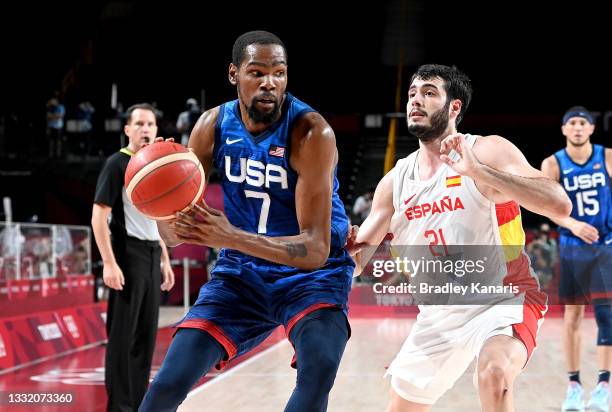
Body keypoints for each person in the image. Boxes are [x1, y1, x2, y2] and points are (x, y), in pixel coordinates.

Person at [139, 30, 354, 412]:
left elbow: (315, 250)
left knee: (319, 367)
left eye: (279, 73)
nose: (270, 83)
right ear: (234, 74)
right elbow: (172, 235)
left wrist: (229, 236)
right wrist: (161, 204)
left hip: (311, 277)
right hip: (241, 275)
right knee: (168, 382)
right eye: (257, 72)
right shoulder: (211, 126)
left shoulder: (311, 132)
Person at [347, 64, 572, 411]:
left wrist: (478, 172)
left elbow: (559, 203)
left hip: (502, 300)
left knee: (493, 374)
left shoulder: (486, 150)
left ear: (454, 107)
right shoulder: (395, 181)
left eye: (429, 93)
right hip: (437, 315)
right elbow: (358, 260)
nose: (416, 101)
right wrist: (336, 251)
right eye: (412, 94)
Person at [91, 103, 175, 412]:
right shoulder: (117, 164)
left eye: (150, 124)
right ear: (127, 130)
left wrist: (165, 259)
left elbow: (156, 217)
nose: (145, 129)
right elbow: (99, 217)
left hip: (153, 254)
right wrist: (109, 263)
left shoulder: (154, 165)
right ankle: (120, 406)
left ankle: (139, 404)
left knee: (145, 339)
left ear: (156, 130)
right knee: (123, 337)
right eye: (138, 123)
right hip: (128, 254)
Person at [541, 106, 612, 412]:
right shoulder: (552, 163)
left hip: (605, 245)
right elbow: (545, 204)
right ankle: (573, 386)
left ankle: (604, 385)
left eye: (584, 123)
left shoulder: (607, 156)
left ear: (592, 129)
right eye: (573, 123)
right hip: (572, 247)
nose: (579, 128)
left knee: (606, 318)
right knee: (572, 318)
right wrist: (572, 224)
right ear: (564, 129)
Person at [46, 92, 65, 158]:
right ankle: (50, 154)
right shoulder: (50, 108)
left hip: (58, 126)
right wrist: (54, 116)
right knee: (51, 141)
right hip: (51, 126)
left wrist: (52, 116)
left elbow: (60, 116)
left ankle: (58, 154)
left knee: (58, 141)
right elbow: (48, 116)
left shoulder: (61, 107)